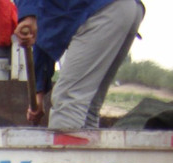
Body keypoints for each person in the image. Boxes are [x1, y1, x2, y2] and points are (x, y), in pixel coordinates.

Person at [15, 0, 145, 130]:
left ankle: (63, 150)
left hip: (101, 9)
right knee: (89, 108)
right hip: (126, 8)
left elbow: (37, 22)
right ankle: (86, 149)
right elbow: (42, 37)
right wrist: (39, 92)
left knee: (68, 103)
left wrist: (27, 16)